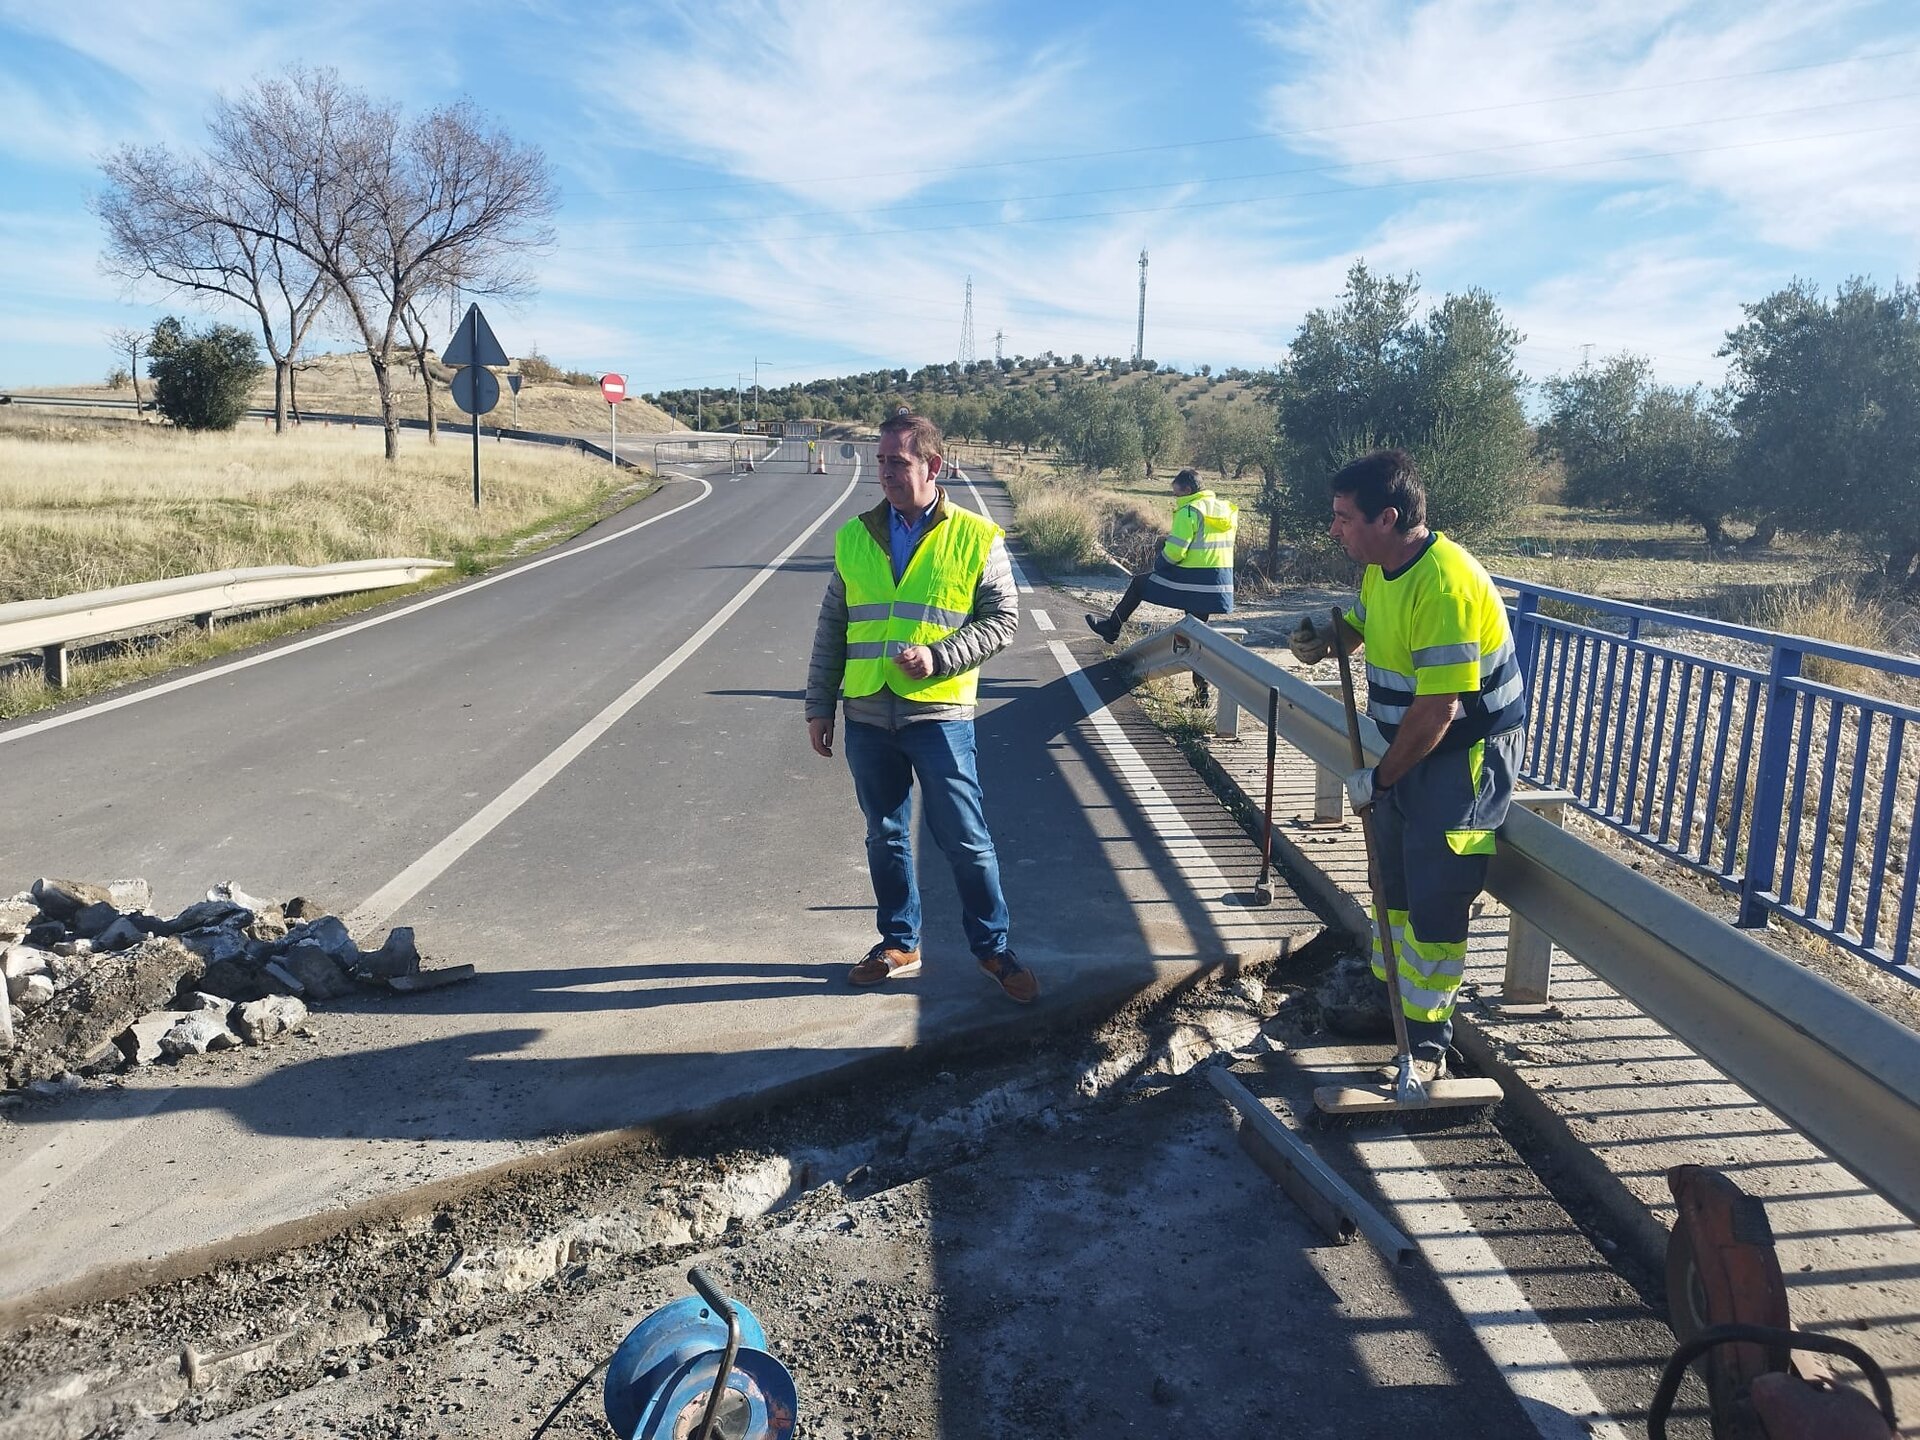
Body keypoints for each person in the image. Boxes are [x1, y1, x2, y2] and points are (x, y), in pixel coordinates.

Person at [1288, 449, 1526, 1084]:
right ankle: (1387, 996)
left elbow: (1440, 709)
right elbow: (1363, 625)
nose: (1334, 528)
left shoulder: (1444, 583)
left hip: (1460, 758)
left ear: (1387, 517)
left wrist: (1381, 779)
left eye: (1343, 518)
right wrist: (1329, 638)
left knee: (1434, 901)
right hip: (1407, 751)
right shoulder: (1381, 567)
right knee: (1389, 882)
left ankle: (1426, 1044)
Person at [805, 410, 1037, 1003]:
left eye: (897, 462)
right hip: (866, 718)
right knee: (884, 837)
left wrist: (940, 657)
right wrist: (818, 704)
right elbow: (834, 626)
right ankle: (898, 943)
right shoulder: (855, 536)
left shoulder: (976, 536)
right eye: (881, 460)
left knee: (964, 837)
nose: (884, 472)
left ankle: (993, 950)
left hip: (939, 717)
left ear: (933, 466)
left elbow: (1004, 622)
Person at [1085, 468, 1237, 695]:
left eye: (1177, 494)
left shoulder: (1189, 510)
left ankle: (1112, 628)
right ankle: (1201, 691)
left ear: (1187, 489)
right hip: (1219, 584)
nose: (1175, 498)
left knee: (1139, 584)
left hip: (1192, 580)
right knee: (1198, 632)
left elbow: (1176, 552)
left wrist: (1159, 562)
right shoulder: (1223, 508)